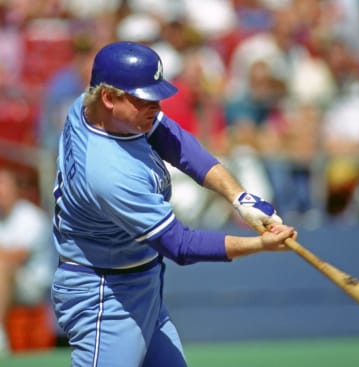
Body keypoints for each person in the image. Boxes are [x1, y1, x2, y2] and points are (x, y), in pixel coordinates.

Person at [50, 41, 295, 367]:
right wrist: (259, 245)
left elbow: (177, 143)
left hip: (137, 278)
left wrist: (240, 197)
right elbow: (179, 244)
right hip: (105, 296)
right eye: (143, 98)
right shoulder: (108, 173)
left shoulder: (94, 107)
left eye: (156, 97)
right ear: (109, 98)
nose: (154, 106)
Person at [0, 166, 54, 356]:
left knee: (2, 266)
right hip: (9, 284)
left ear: (15, 189)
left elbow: (17, 256)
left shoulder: (32, 217)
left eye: (3, 184)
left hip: (33, 287)